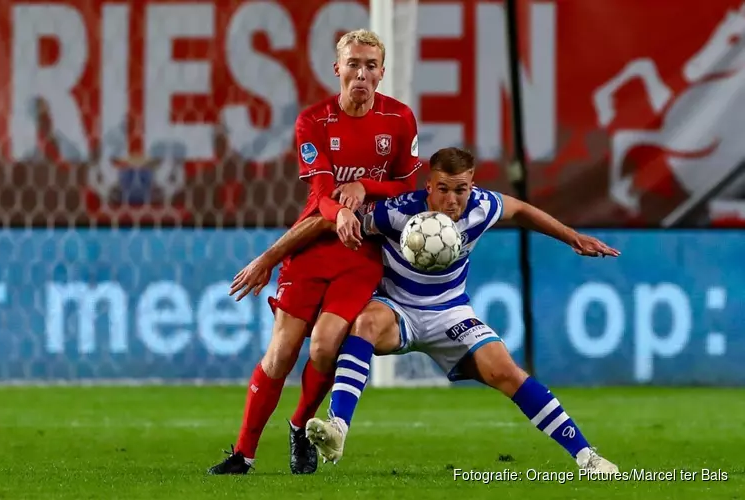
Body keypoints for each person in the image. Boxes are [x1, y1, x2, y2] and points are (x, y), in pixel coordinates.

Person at [235, 147, 621, 474]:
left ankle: (588, 457)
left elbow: (520, 210)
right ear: (428, 187)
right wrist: (268, 258)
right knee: (364, 322)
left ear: (471, 186)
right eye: (443, 190)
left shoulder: (482, 207)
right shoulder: (398, 212)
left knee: (507, 372)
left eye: (461, 190)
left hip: (450, 312)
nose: (453, 200)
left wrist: (573, 237)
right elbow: (324, 222)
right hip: (396, 307)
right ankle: (337, 428)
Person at [208, 29, 421, 475]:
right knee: (281, 354)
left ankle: (300, 426)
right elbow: (322, 190)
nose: (361, 73)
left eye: (370, 65)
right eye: (353, 64)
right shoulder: (314, 121)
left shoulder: (400, 119)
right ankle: (243, 454)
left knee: (325, 348)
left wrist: (364, 187)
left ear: (382, 73)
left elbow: (406, 185)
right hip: (311, 247)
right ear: (337, 68)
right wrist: (338, 212)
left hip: (362, 253)